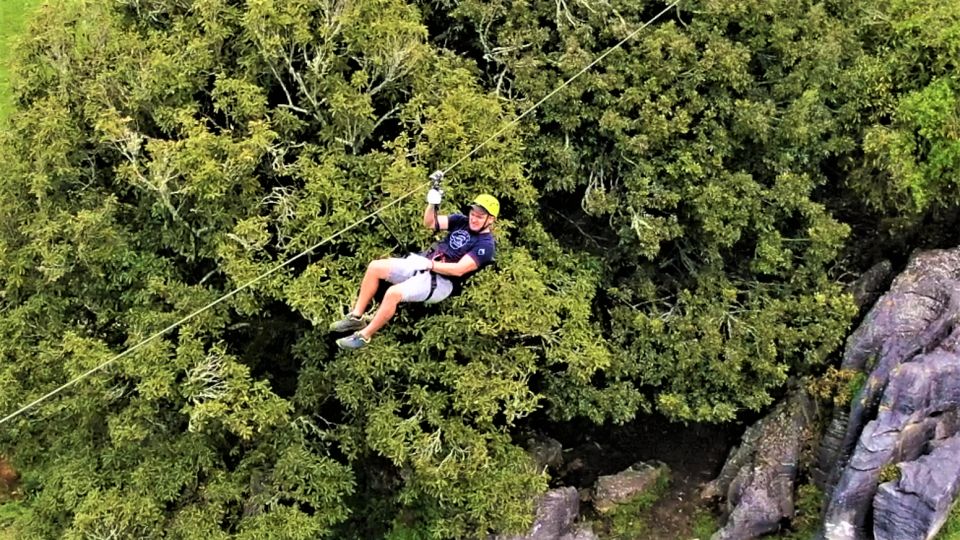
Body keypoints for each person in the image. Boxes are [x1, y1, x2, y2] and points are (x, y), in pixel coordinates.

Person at [330, 173, 499, 349]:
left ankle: (364, 336)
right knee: (375, 267)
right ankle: (355, 318)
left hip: (441, 282)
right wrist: (432, 203)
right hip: (425, 263)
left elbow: (459, 269)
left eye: (480, 217)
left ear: (490, 220)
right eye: (473, 213)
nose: (474, 218)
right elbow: (430, 222)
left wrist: (430, 264)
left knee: (393, 293)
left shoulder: (485, 245)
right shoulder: (460, 221)